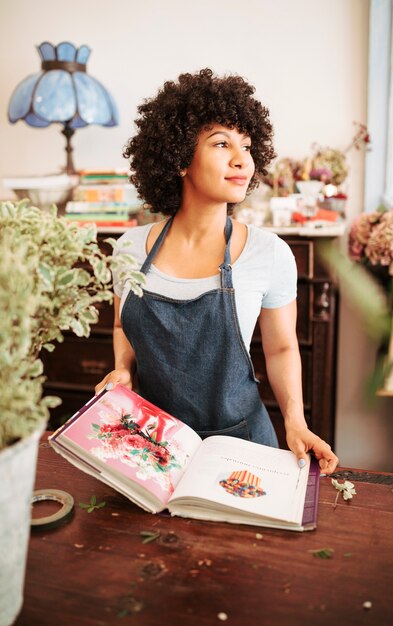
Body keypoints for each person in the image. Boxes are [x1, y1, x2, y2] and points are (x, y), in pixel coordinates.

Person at [95, 68, 339, 475]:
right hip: (151, 445)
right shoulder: (128, 249)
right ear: (179, 159)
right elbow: (124, 326)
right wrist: (124, 368)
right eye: (221, 143)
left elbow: (281, 349)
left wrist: (295, 421)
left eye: (246, 145)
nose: (241, 159)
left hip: (241, 449)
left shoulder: (270, 254)